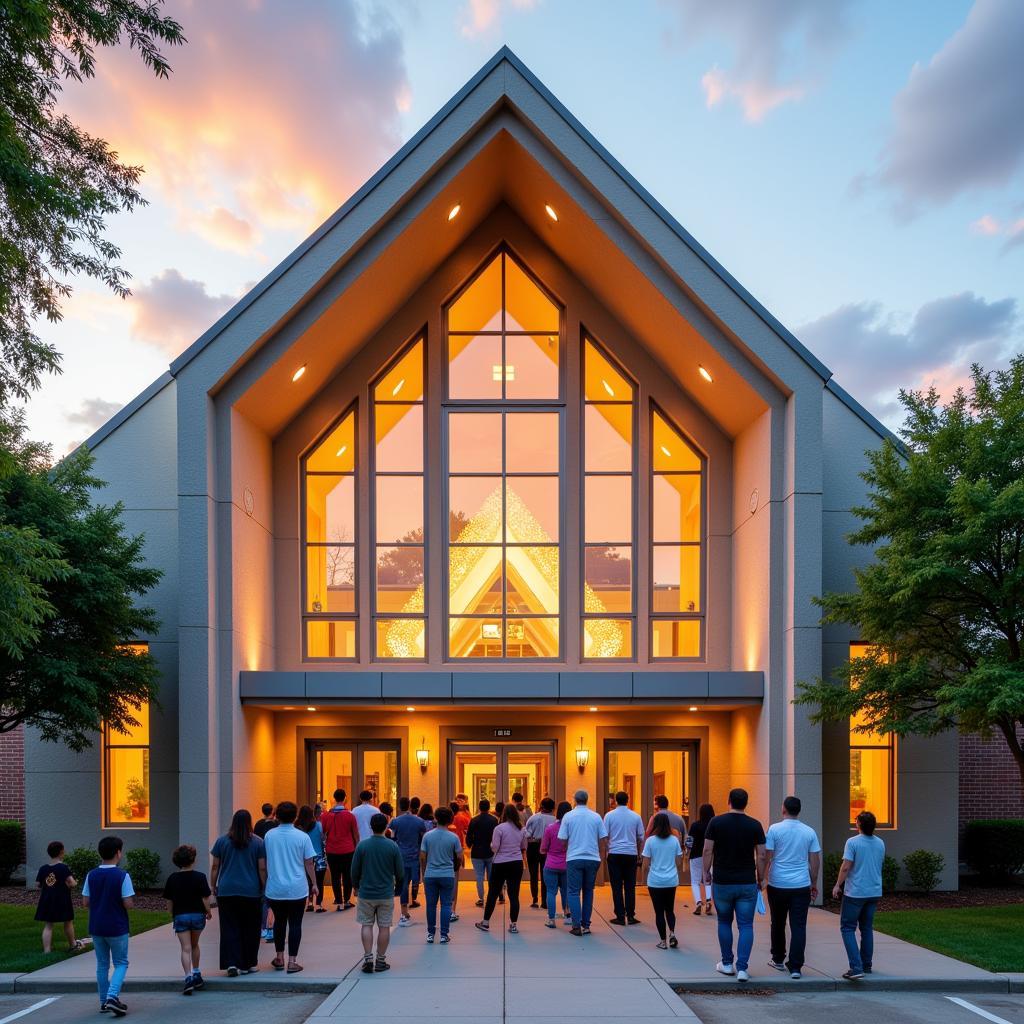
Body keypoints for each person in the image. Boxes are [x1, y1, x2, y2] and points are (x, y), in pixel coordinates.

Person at [702, 788, 766, 983]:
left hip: (723, 881)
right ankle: (743, 969)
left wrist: (706, 872)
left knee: (724, 922)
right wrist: (761, 877)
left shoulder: (716, 822)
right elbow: (762, 855)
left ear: (729, 801)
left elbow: (707, 850)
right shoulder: (755, 825)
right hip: (746, 881)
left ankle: (727, 963)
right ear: (746, 803)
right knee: (746, 925)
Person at [765, 796, 821, 980]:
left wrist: (763, 878)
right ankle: (796, 966)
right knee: (799, 925)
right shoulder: (809, 832)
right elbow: (814, 860)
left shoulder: (774, 829)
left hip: (778, 883)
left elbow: (768, 855)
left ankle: (778, 958)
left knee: (778, 922)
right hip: (801, 885)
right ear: (799, 810)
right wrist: (813, 882)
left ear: (783, 809)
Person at [82, 836, 134, 1017]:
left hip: (96, 926)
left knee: (102, 964)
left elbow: (86, 902)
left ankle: (104, 1001)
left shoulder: (91, 875)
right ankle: (113, 996)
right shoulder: (122, 875)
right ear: (118, 853)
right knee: (121, 962)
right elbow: (128, 903)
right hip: (117, 926)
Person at [210, 809, 266, 976]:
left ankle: (232, 962)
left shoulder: (221, 841)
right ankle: (250, 963)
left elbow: (215, 866)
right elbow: (262, 868)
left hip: (227, 891)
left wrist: (213, 885)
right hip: (251, 891)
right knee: (251, 928)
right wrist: (264, 886)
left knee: (229, 927)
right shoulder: (258, 842)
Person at [264, 801, 317, 973]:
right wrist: (314, 883)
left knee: (279, 922)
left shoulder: (269, 836)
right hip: (297, 887)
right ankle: (292, 961)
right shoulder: (302, 837)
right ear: (295, 817)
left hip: (275, 886)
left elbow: (264, 862)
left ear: (277, 816)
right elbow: (309, 863)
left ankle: (279, 957)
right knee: (295, 924)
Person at [834, 810, 885, 981]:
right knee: (866, 928)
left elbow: (846, 866)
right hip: (874, 891)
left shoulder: (853, 842)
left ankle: (856, 967)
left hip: (855, 892)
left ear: (859, 825)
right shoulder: (880, 843)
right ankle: (866, 964)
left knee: (847, 928)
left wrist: (837, 885)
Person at [351, 812, 405, 972]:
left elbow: (354, 870)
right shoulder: (392, 846)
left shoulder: (362, 845)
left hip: (366, 893)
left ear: (370, 826)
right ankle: (380, 960)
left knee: (366, 925)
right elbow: (400, 873)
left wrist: (356, 886)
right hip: (385, 893)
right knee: (384, 927)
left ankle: (368, 958)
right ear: (386, 826)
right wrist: (398, 888)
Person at [162, 844, 212, 995]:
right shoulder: (200, 877)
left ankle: (188, 977)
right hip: (197, 915)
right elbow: (205, 898)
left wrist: (172, 913)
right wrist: (208, 912)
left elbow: (169, 900)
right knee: (195, 944)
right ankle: (196, 972)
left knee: (185, 948)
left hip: (181, 916)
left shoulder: (172, 878)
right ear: (193, 860)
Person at [558, 789, 608, 936]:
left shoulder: (568, 816)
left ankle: (576, 925)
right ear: (587, 800)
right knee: (588, 892)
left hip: (574, 858)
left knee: (573, 892)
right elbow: (603, 838)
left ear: (575, 800)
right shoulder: (596, 817)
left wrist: (568, 846)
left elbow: (562, 839)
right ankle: (586, 925)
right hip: (592, 858)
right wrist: (601, 856)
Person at [476, 805, 527, 934]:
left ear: (504, 814)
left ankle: (486, 922)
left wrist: (491, 844)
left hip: (500, 863)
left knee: (493, 893)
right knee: (514, 895)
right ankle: (513, 925)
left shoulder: (499, 828)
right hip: (516, 863)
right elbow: (523, 846)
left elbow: (495, 847)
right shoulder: (521, 829)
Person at [421, 806, 463, 944]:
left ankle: (430, 933)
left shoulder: (427, 836)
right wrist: (455, 865)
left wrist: (424, 872)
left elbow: (422, 856)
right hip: (447, 874)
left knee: (431, 905)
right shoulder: (453, 837)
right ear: (450, 819)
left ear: (436, 818)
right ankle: (444, 934)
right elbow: (460, 856)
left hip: (430, 874)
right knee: (446, 904)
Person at [642, 813, 684, 949]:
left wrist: (645, 877)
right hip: (671, 880)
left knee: (658, 912)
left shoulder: (650, 841)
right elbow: (678, 861)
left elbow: (645, 864)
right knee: (669, 909)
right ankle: (672, 933)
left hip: (655, 881)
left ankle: (663, 941)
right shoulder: (674, 840)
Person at [35, 841, 83, 953]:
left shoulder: (43, 868)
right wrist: (74, 883)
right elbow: (72, 883)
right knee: (68, 922)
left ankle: (47, 950)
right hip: (62, 900)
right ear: (61, 852)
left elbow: (38, 885)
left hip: (47, 900)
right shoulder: (63, 867)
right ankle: (73, 945)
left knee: (48, 925)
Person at [605, 791, 645, 925]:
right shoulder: (636, 816)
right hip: (630, 854)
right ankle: (631, 915)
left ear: (616, 801)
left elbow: (605, 836)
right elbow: (641, 837)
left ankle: (620, 916)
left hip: (615, 853)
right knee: (630, 886)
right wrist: (639, 854)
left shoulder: (609, 816)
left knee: (616, 886)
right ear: (628, 800)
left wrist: (607, 850)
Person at [390, 796, 428, 926]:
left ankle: (404, 911)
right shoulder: (419, 821)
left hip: (401, 855)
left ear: (400, 806)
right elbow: (423, 837)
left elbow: (392, 836)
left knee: (404, 883)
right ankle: (413, 900)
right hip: (414, 855)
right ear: (410, 805)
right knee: (416, 881)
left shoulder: (395, 821)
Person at [321, 788, 360, 911]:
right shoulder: (350, 815)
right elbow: (355, 834)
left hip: (332, 849)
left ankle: (338, 901)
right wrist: (357, 846)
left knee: (335, 876)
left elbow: (323, 834)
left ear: (334, 798)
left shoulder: (326, 815)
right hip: (348, 849)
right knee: (347, 875)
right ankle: (347, 900)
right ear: (345, 798)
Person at [540, 801, 572, 927]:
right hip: (567, 864)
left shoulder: (550, 829)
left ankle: (551, 919)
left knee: (551, 892)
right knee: (567, 891)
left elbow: (543, 848)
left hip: (551, 864)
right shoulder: (571, 829)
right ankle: (568, 916)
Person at [524, 797, 556, 909]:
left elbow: (527, 834)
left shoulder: (534, 817)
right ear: (552, 808)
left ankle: (534, 899)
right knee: (545, 874)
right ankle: (544, 901)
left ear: (541, 806)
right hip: (547, 848)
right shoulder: (554, 820)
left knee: (533, 874)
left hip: (533, 845)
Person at [466, 798, 498, 908]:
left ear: (479, 807)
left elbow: (469, 835)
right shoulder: (494, 820)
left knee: (479, 876)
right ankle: (491, 897)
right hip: (490, 851)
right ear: (489, 807)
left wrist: (470, 845)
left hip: (477, 852)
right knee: (491, 876)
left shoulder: (474, 820)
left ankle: (481, 898)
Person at [297, 804, 327, 913]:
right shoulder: (318, 825)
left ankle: (309, 903)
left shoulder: (297, 827)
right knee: (319, 881)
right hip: (318, 855)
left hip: (303, 856)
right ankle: (318, 904)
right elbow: (323, 838)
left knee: (308, 879)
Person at [686, 804, 714, 915]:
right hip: (710, 856)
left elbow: (689, 841)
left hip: (696, 855)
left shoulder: (695, 825)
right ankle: (708, 901)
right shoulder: (713, 825)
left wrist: (687, 851)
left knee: (695, 881)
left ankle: (698, 903)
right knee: (707, 878)